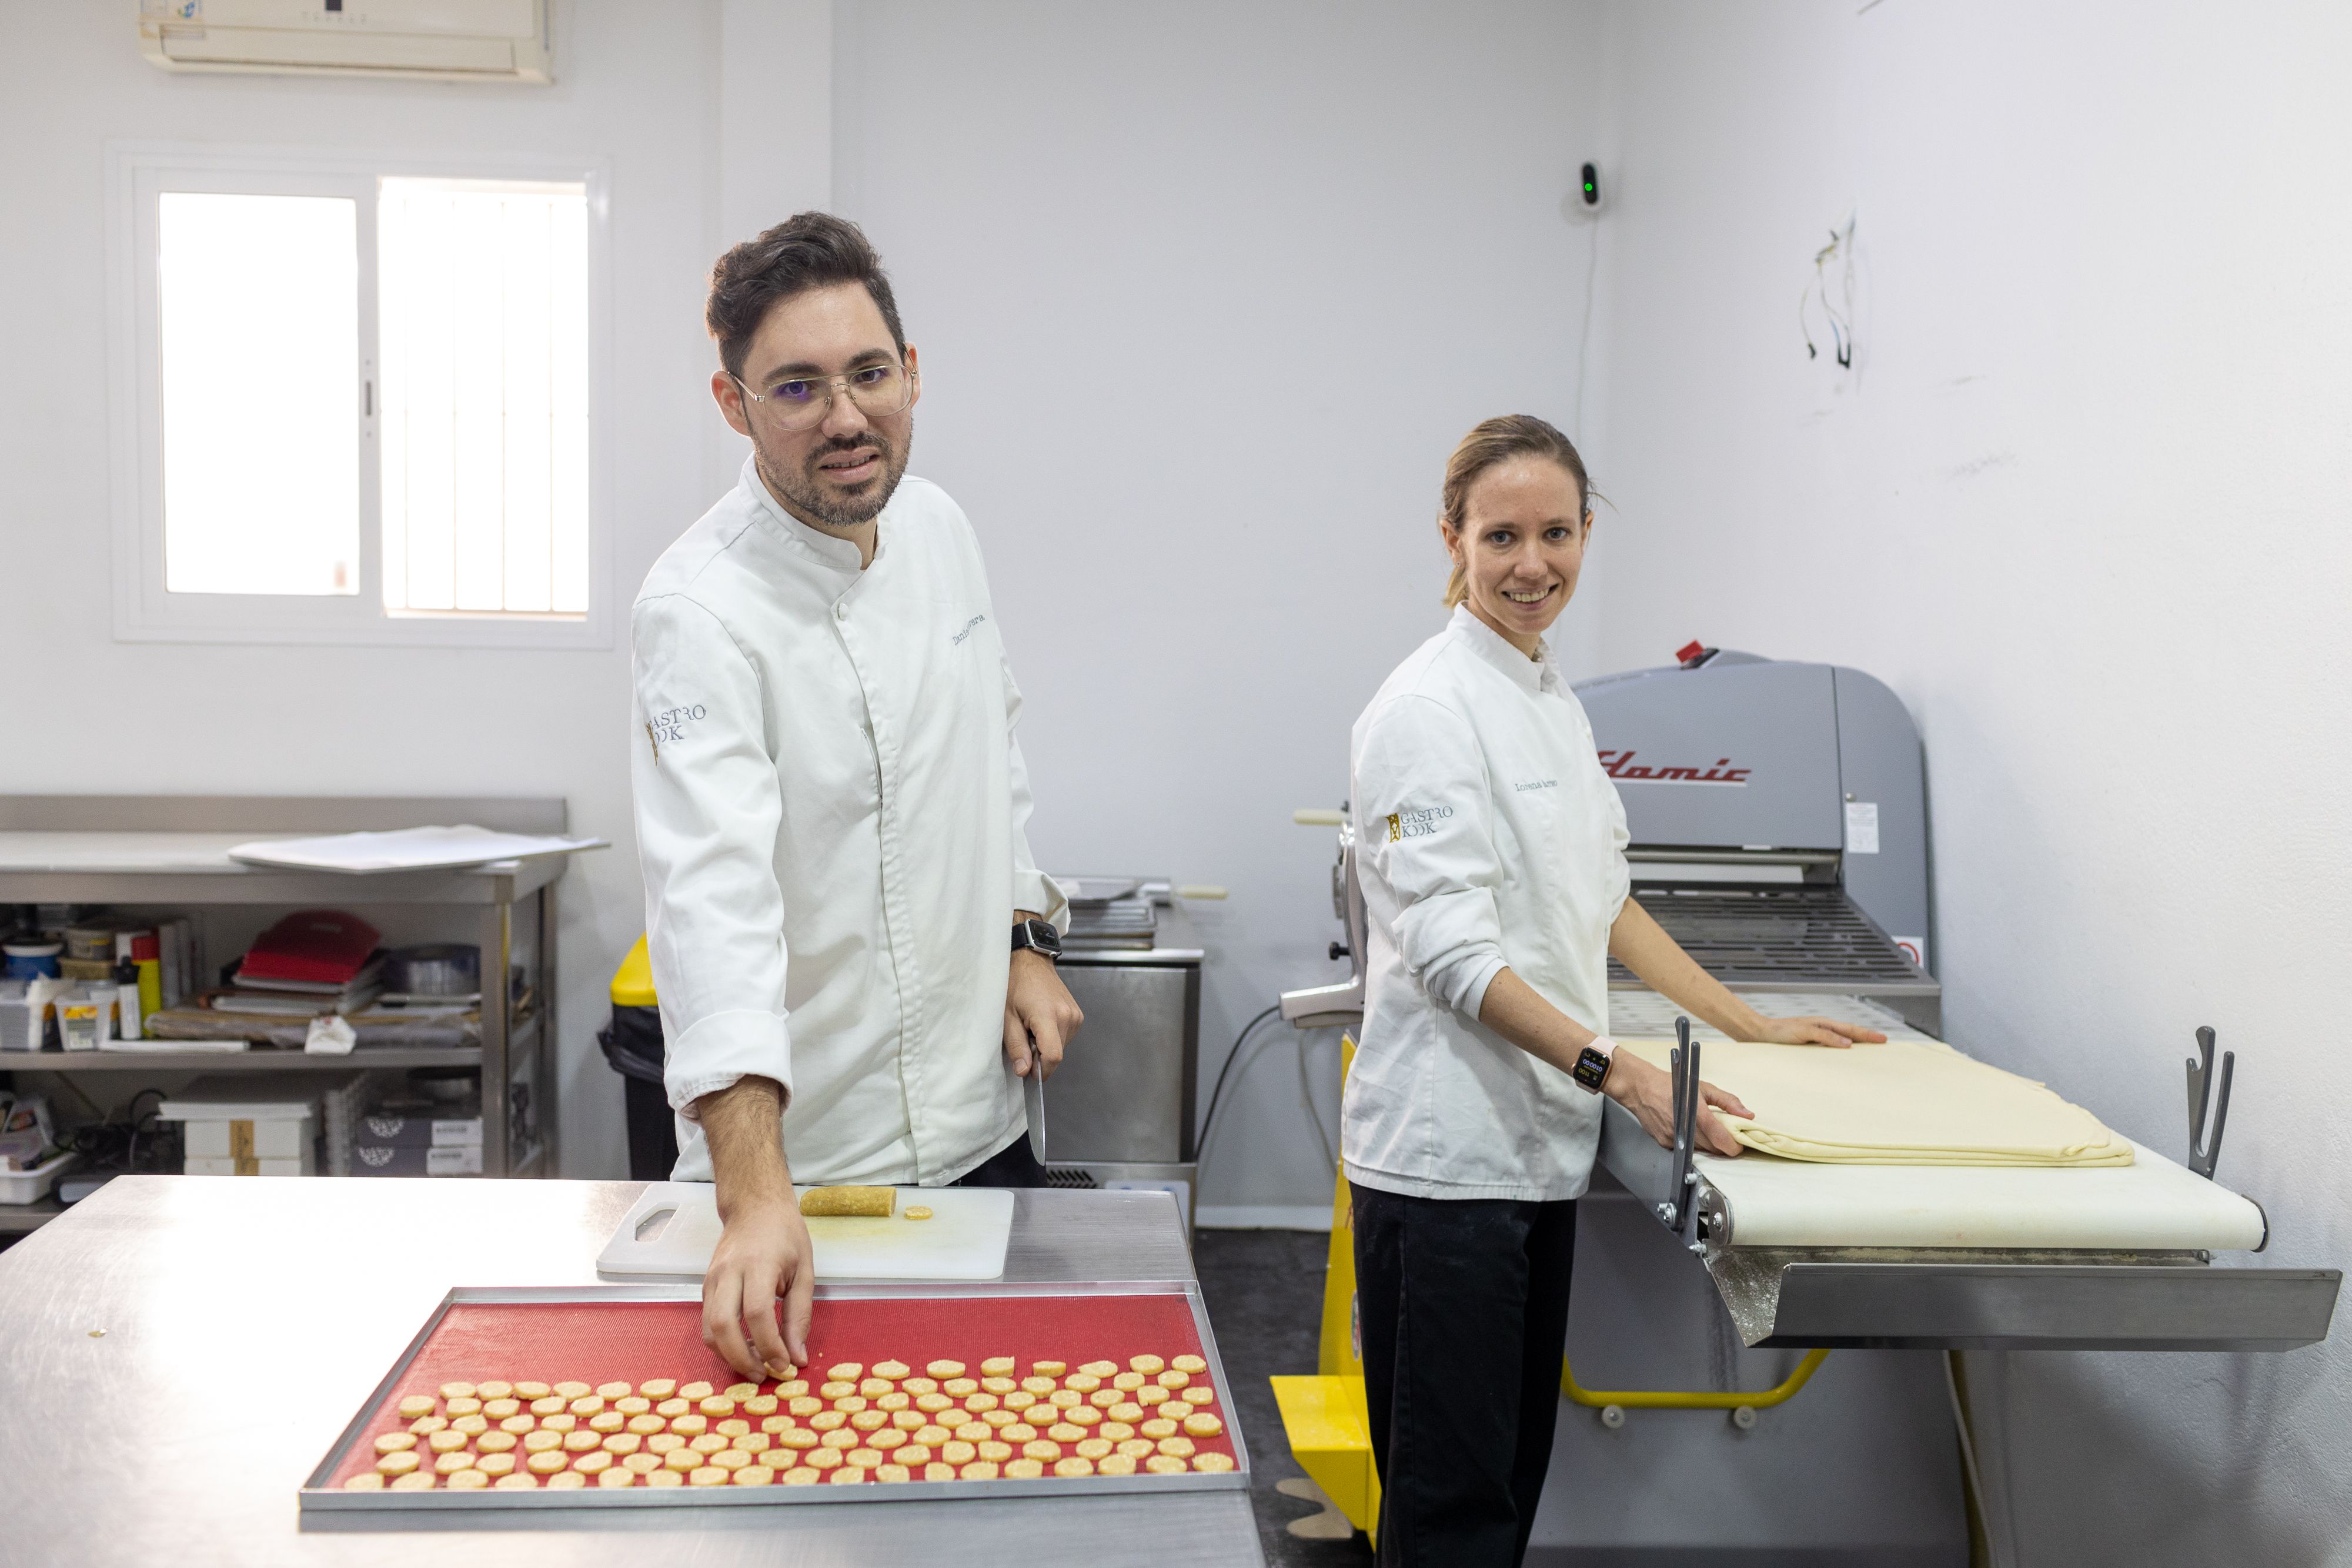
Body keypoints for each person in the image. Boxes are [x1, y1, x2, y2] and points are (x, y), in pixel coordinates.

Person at [1342, 414, 1883, 1566]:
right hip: (1446, 1172)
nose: (1531, 562)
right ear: (1451, 537)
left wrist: (1747, 1022)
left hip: (1531, 1156)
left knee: (1505, 1486)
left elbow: (1605, 901)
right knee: (1449, 1515)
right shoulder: (1426, 709)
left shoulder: (1548, 695)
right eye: (1500, 535)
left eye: (1555, 532)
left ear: (1586, 532)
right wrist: (1620, 1070)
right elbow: (1451, 955)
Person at [630, 213, 1083, 1382]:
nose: (845, 416)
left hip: (980, 1133)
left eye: (867, 373)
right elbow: (710, 904)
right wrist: (756, 1194)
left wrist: (1023, 932)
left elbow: (998, 748)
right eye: (796, 387)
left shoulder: (939, 529)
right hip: (810, 1177)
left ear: (910, 371)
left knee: (1001, 1470)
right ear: (733, 406)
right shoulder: (698, 611)